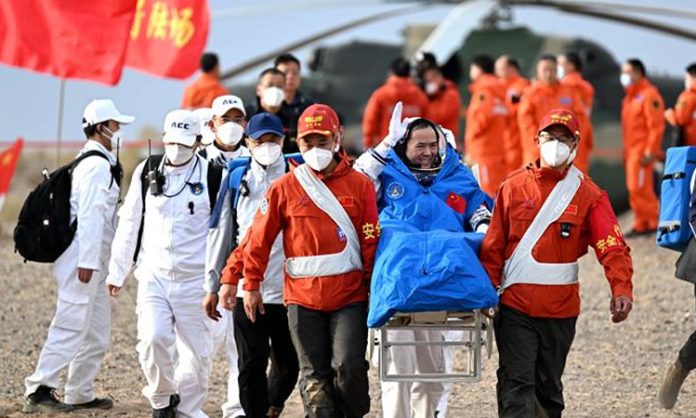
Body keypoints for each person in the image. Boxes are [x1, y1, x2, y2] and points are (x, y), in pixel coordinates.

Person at [481, 108, 634, 418]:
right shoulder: (512, 187)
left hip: (561, 310)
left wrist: (621, 288)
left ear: (576, 144)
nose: (556, 145)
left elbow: (612, 245)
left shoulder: (590, 194)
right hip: (515, 307)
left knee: (548, 390)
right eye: (550, 137)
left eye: (564, 139)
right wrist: (485, 295)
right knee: (516, 383)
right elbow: (493, 247)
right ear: (537, 140)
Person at [234, 103, 378, 417]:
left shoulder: (361, 185)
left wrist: (373, 289)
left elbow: (370, 239)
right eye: (307, 143)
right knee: (314, 378)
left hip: (350, 296)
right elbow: (258, 239)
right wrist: (252, 284)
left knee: (350, 368)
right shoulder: (283, 187)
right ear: (297, 143)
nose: (315, 149)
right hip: (302, 298)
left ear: (337, 138)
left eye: (322, 141)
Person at [355, 103, 494, 418]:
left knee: (434, 372)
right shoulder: (385, 171)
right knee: (397, 371)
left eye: (433, 145)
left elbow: (477, 207)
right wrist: (384, 145)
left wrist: (483, 227)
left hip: (443, 282)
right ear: (404, 145)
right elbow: (354, 180)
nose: (428, 152)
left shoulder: (456, 174)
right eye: (420, 146)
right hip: (399, 284)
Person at [23, 99, 133, 413]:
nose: (118, 130)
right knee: (70, 324)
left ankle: (80, 391)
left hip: (94, 260)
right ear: (101, 128)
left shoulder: (93, 160)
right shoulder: (96, 165)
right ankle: (39, 389)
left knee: (97, 332)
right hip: (82, 260)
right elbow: (90, 214)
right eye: (115, 125)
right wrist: (86, 261)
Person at [106, 110, 218, 418]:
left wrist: (219, 282)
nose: (177, 149)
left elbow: (222, 233)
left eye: (185, 143)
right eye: (172, 142)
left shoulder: (212, 176)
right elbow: (129, 222)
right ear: (163, 139)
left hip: (195, 280)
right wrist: (118, 270)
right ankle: (162, 398)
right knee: (152, 340)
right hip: (154, 275)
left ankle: (187, 410)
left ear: (198, 142)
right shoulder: (147, 171)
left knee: (197, 355)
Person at [210, 113, 300, 418]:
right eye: (259, 140)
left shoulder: (298, 174)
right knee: (250, 364)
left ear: (283, 139)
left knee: (289, 364)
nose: (266, 146)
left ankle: (273, 407)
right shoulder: (237, 179)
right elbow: (227, 236)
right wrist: (221, 282)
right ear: (248, 143)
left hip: (290, 290)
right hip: (249, 288)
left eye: (272, 139)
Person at [199, 94, 249, 418]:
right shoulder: (197, 164)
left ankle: (236, 408)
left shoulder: (255, 162)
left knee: (240, 345)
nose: (231, 126)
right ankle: (188, 405)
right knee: (199, 345)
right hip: (199, 266)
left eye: (237, 119)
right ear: (211, 124)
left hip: (243, 265)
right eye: (224, 119)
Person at [620, 58, 665, 237]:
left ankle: (652, 222)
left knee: (641, 188)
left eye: (627, 71)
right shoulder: (630, 98)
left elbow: (656, 126)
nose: (624, 76)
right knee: (633, 188)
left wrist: (650, 151)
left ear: (638, 73)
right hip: (631, 152)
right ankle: (641, 222)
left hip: (642, 152)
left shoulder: (649, 95)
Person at [518, 55, 587, 167]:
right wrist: (542, 144)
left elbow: (580, 118)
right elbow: (525, 123)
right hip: (537, 152)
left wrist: (570, 142)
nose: (549, 73)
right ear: (538, 72)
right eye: (545, 70)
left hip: (566, 150)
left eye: (552, 69)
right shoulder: (530, 93)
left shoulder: (570, 91)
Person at [465, 54, 509, 196]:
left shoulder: (484, 90)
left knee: (485, 191)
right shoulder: (499, 90)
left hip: (483, 150)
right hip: (498, 149)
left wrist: (470, 141)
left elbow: (481, 119)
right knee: (495, 190)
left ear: (478, 69)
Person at [363, 57, 430, 149]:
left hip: (387, 148)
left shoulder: (381, 94)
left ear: (391, 73)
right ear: (409, 74)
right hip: (414, 149)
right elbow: (429, 123)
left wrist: (368, 143)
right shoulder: (421, 96)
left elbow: (370, 120)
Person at [245, 68, 298, 154]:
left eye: (279, 86)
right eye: (269, 85)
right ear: (258, 90)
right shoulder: (245, 116)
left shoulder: (295, 117)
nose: (275, 90)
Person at [558, 51, 595, 173]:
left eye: (560, 64)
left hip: (569, 134)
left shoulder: (567, 85)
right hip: (583, 133)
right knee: (580, 173)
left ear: (571, 66)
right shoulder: (586, 86)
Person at [496, 55, 530, 174]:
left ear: (512, 68)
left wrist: (501, 110)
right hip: (502, 140)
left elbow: (515, 109)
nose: (497, 72)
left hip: (516, 139)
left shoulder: (521, 85)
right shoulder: (498, 86)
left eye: (501, 69)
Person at [274, 53, 316, 143]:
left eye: (295, 73)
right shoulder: (264, 107)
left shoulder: (311, 107)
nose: (290, 77)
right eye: (285, 73)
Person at [419, 60, 462, 146]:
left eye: (431, 80)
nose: (429, 84)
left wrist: (425, 99)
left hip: (446, 142)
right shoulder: (431, 96)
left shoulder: (450, 94)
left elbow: (438, 117)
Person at [201, 95, 250, 165]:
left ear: (245, 125)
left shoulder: (253, 158)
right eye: (225, 120)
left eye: (237, 120)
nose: (232, 126)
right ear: (212, 125)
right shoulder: (199, 159)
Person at [664, 63, 696, 146]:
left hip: (690, 144)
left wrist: (669, 115)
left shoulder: (688, 96)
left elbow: (680, 119)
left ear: (693, 77)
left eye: (687, 78)